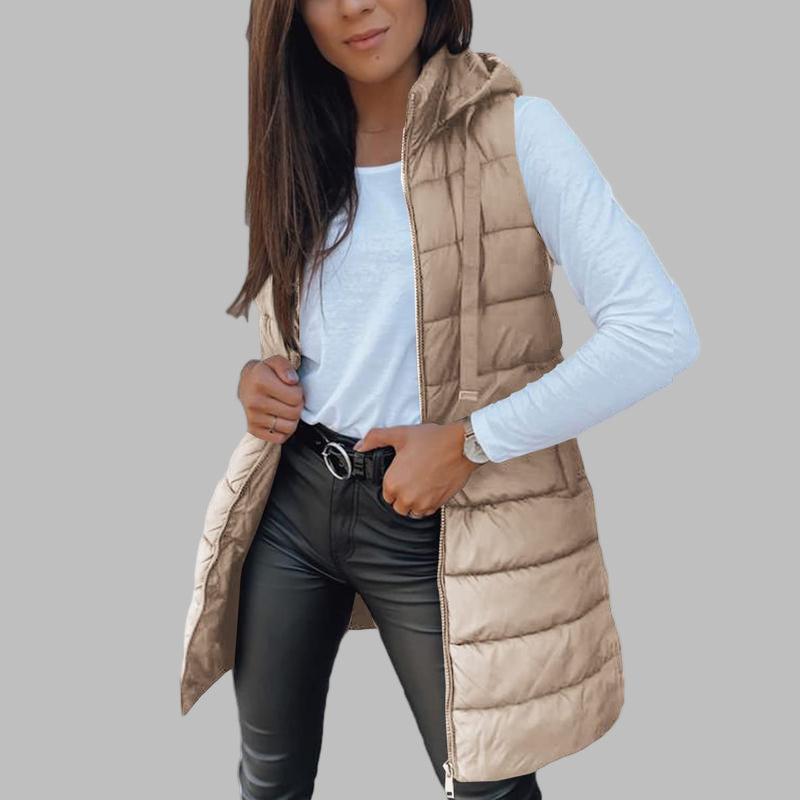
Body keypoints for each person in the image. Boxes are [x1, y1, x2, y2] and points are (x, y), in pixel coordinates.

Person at [183, 2, 700, 798]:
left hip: (435, 521)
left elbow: (658, 331)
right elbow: (324, 322)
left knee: (486, 787)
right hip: (293, 501)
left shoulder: (518, 134)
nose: (355, 5)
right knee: (268, 780)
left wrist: (470, 441)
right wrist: (260, 380)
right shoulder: (299, 139)